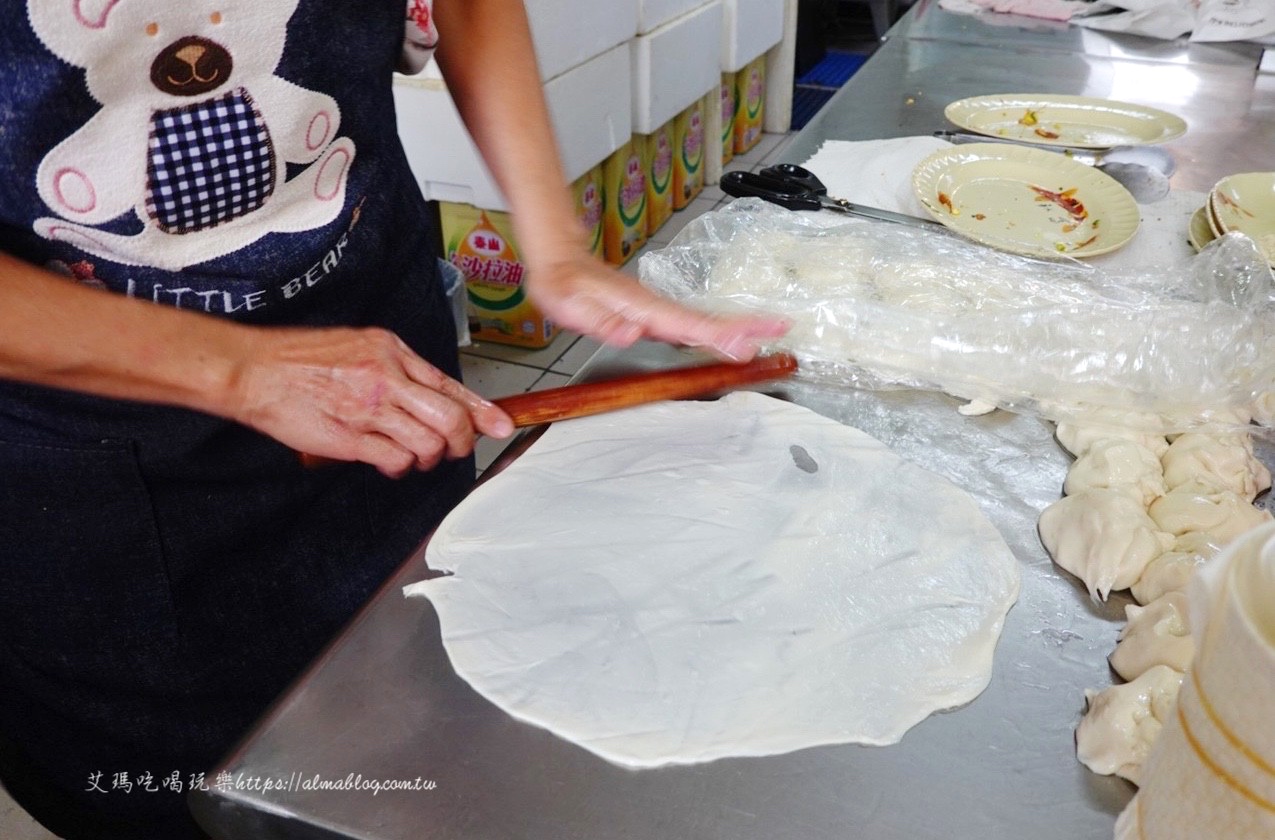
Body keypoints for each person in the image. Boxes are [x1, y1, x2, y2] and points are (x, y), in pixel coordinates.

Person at [0, 1, 788, 837]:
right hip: (93, 435)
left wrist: (554, 244)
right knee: (194, 797)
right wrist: (237, 369)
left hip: (377, 320)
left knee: (424, 711)